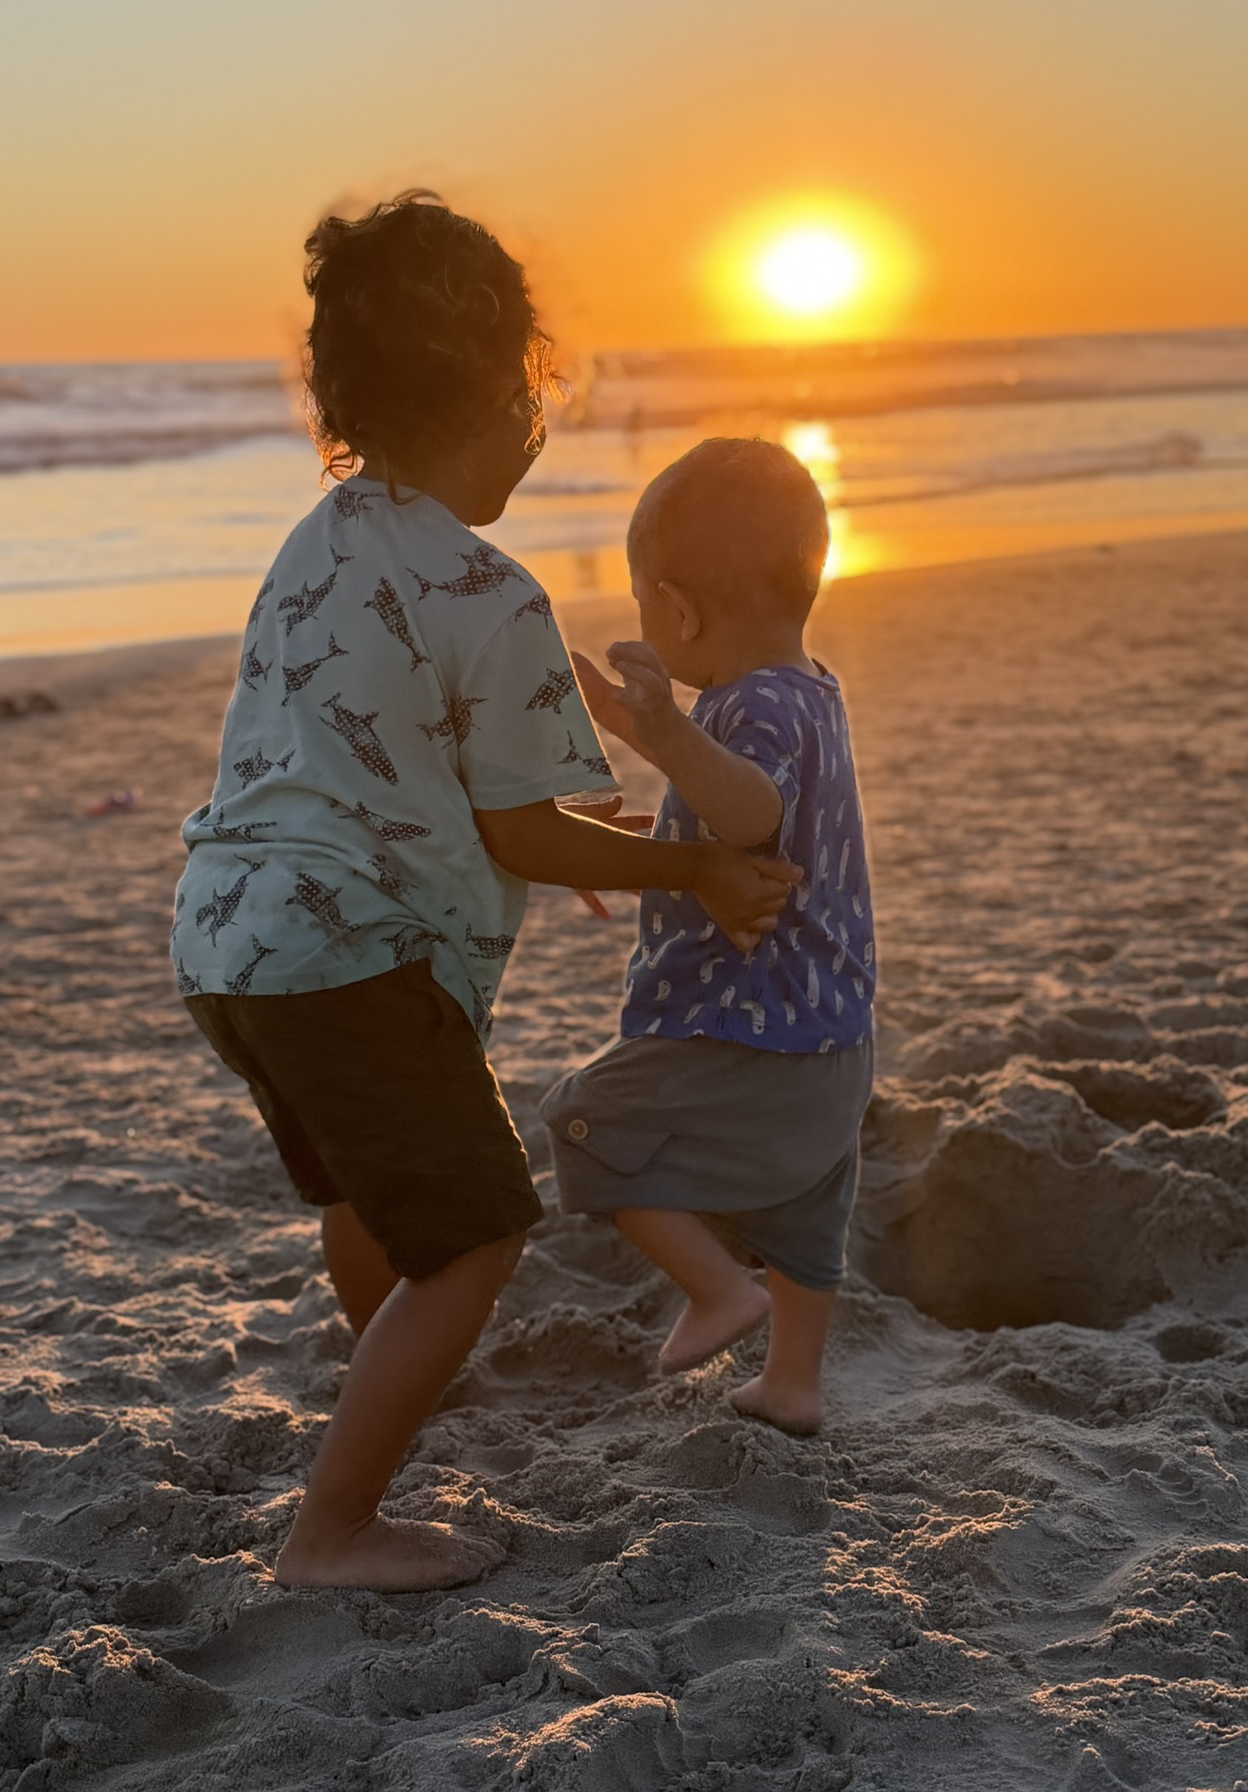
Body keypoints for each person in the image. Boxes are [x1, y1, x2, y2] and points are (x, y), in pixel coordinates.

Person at [170, 198, 800, 1591]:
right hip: (355, 960)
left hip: (230, 938)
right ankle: (331, 1530)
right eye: (533, 389)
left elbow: (399, 754)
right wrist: (691, 862)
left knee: (370, 1192)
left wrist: (558, 827)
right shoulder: (491, 587)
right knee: (476, 1236)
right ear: (508, 395)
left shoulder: (317, 541)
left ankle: (392, 1387)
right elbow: (527, 832)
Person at [542, 437, 874, 1436]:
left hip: (746, 1024)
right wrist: (622, 718)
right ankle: (793, 1381)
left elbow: (750, 811)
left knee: (584, 1119)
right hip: (835, 1031)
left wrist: (667, 731)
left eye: (645, 602)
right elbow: (729, 802)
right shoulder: (810, 684)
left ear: (679, 610)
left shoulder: (752, 704)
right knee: (808, 1211)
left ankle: (718, 1289)